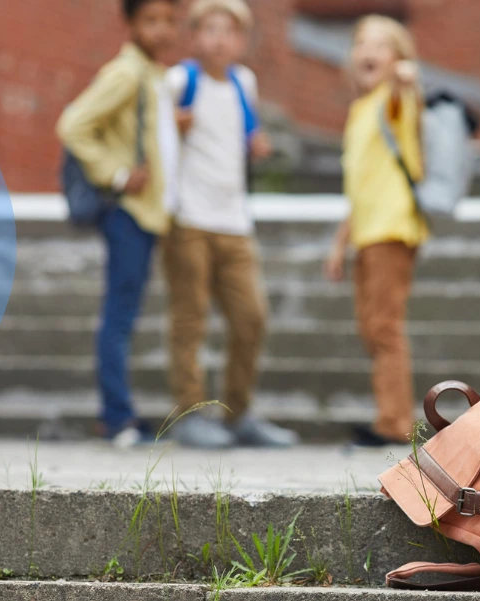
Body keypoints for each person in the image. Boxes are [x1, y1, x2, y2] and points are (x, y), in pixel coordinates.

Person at [158, 0, 296, 448]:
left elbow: (242, 132)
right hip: (188, 221)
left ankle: (239, 413)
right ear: (194, 36)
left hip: (234, 221)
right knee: (190, 318)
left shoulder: (244, 82)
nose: (219, 38)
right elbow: (155, 137)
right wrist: (172, 126)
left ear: (241, 39)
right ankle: (191, 413)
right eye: (209, 29)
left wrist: (255, 143)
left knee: (251, 317)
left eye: (229, 30)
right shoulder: (181, 80)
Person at [57, 0, 179, 449]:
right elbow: (73, 125)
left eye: (169, 20)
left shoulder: (153, 73)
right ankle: (116, 418)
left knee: (124, 313)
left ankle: (119, 413)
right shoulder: (126, 72)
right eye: (151, 20)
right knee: (119, 315)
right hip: (127, 213)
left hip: (148, 214)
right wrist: (118, 173)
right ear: (129, 23)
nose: (162, 30)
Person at [323, 15, 426, 447]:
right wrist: (340, 243)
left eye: (381, 45)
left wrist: (405, 78)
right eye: (361, 42)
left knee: (384, 327)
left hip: (391, 229)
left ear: (397, 57)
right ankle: (390, 415)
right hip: (366, 232)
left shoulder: (392, 101)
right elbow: (359, 186)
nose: (368, 51)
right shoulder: (359, 109)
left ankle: (394, 422)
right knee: (372, 328)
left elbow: (407, 94)